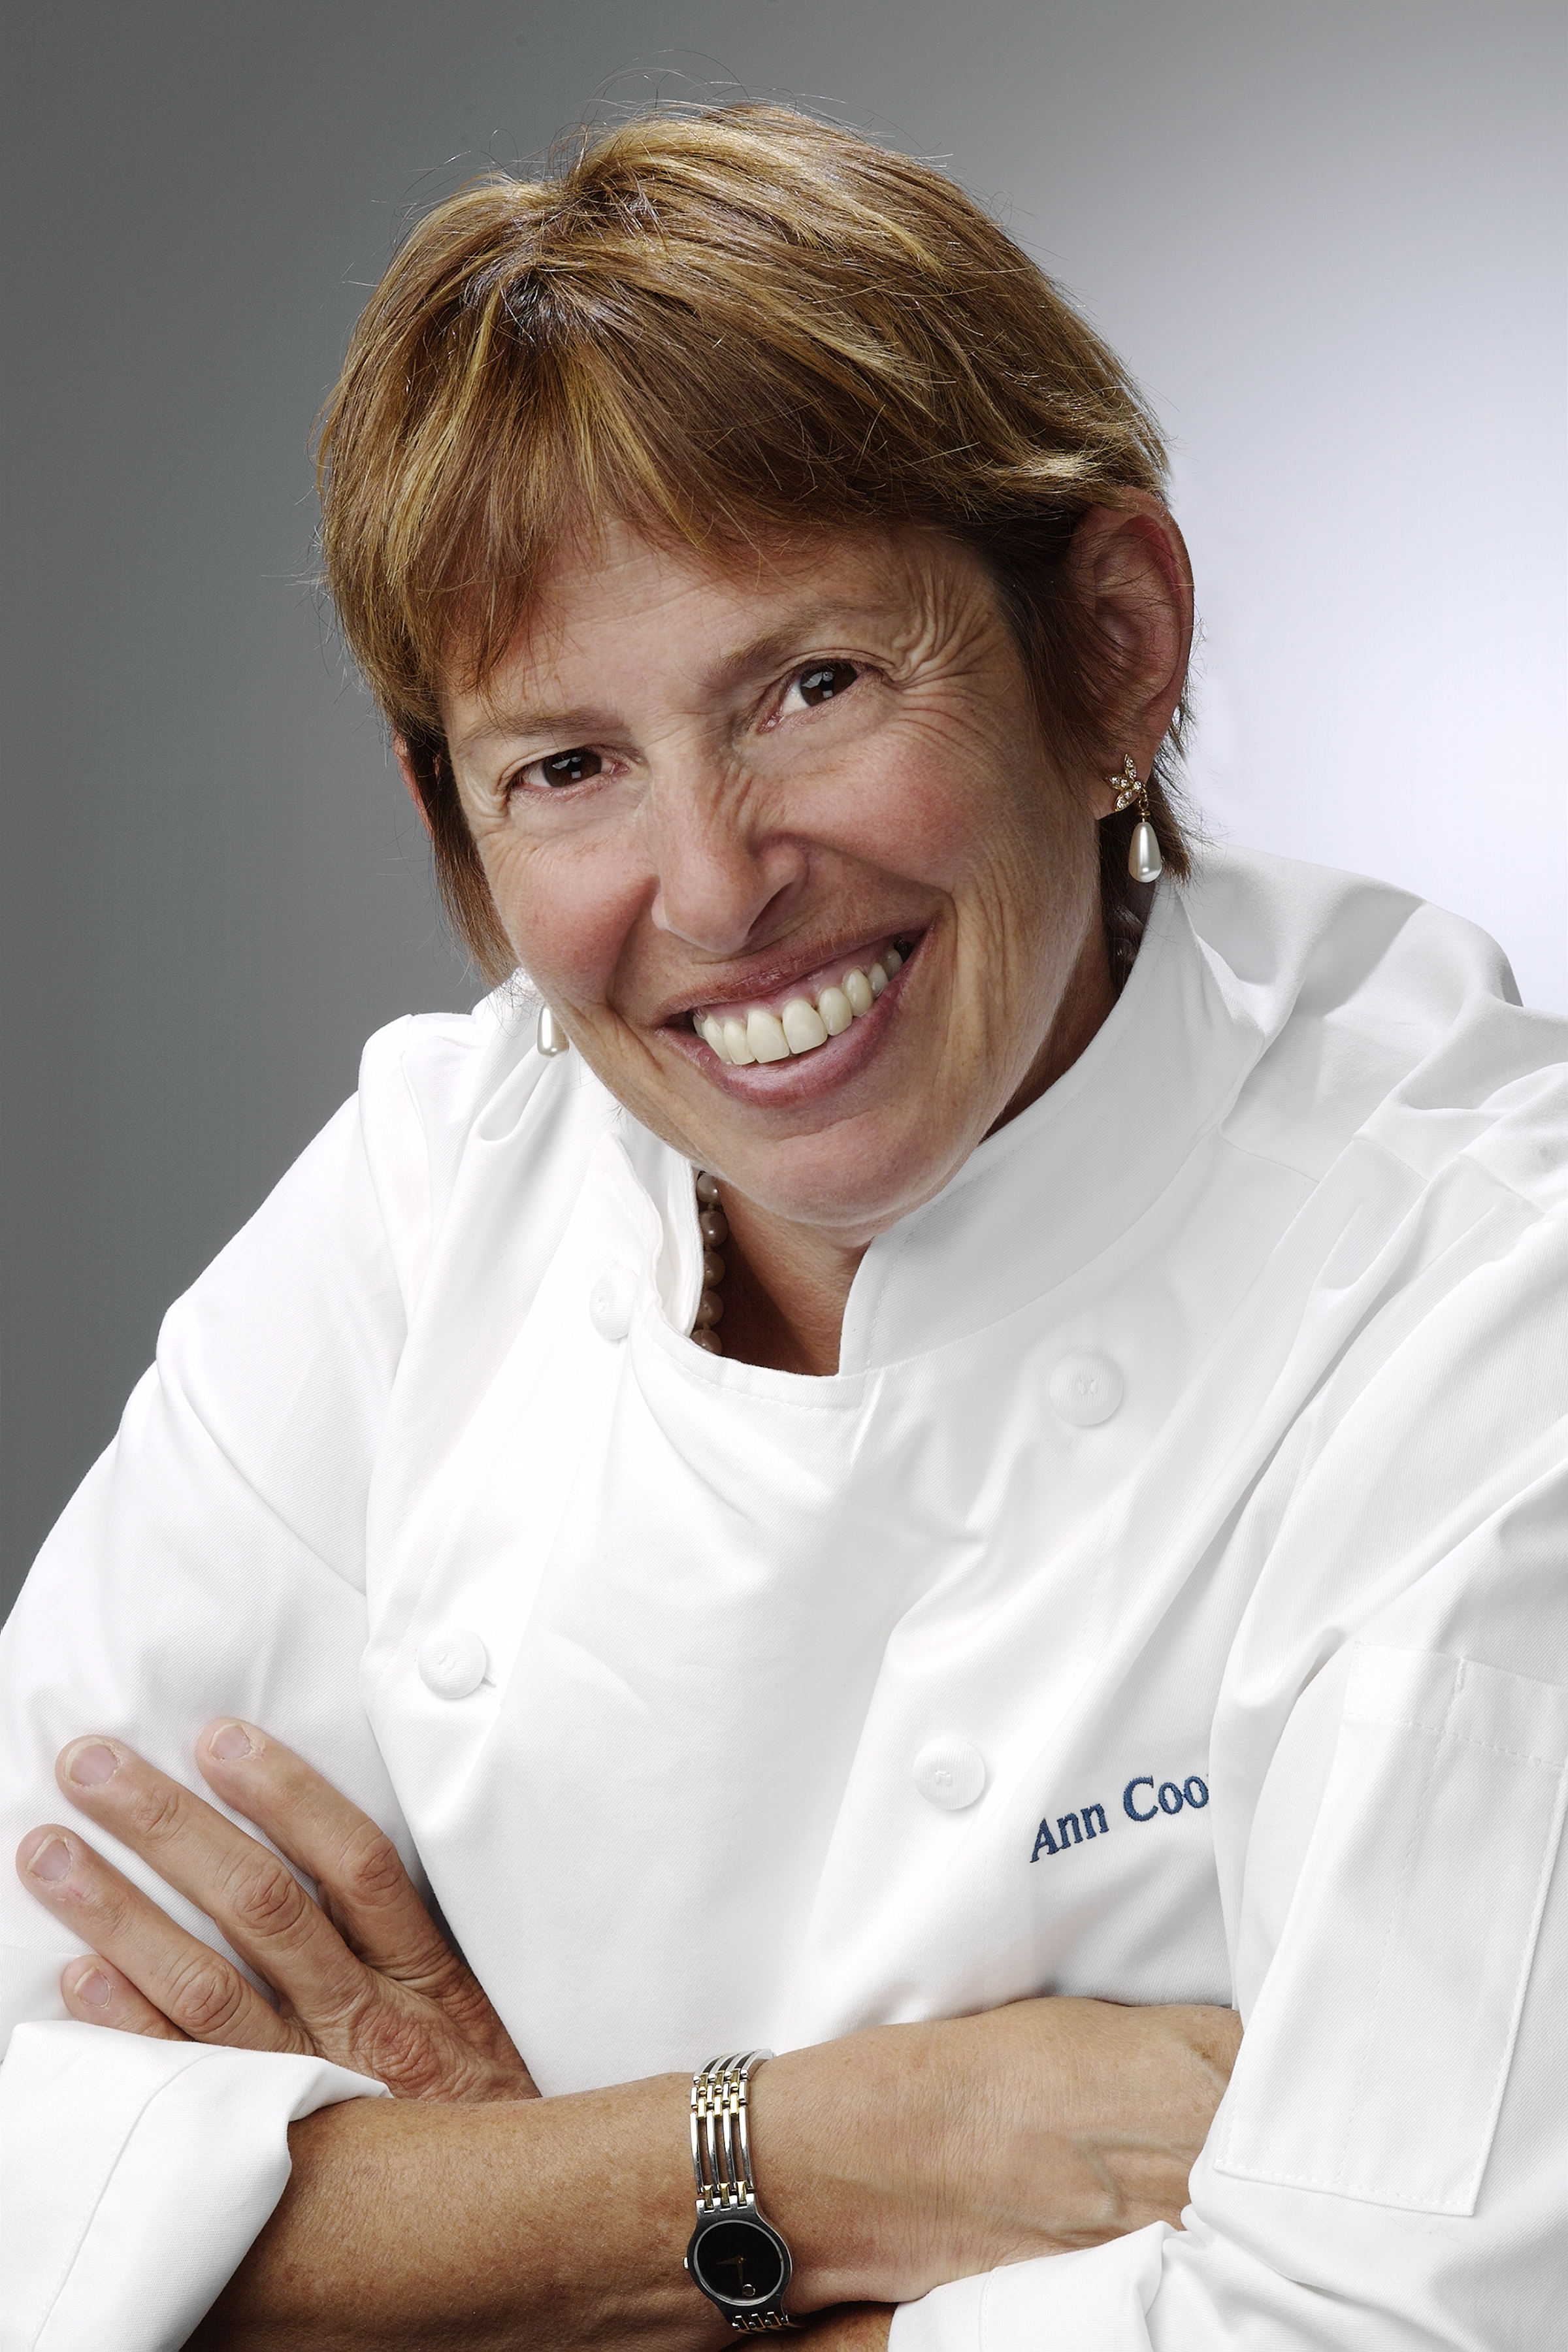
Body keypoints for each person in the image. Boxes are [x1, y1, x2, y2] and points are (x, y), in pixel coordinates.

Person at [3, 100, 1567, 2352]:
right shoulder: (429, 1199)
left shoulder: (1487, 1287)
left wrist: (463, 2225)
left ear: (1113, 650)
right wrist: (806, 2163)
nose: (718, 890)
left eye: (811, 687)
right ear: (456, 828)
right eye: (567, 767)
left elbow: (1381, 2332)